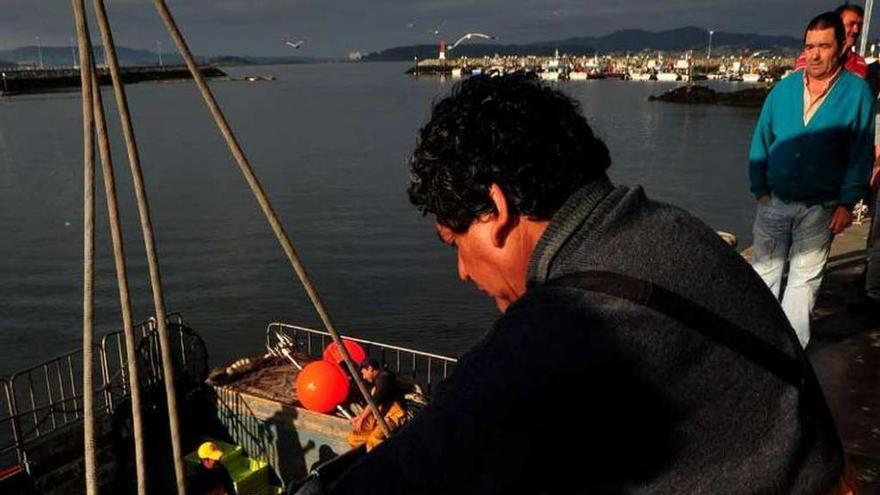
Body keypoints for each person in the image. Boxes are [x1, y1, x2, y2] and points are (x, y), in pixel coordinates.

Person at [295, 72, 849, 494]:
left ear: (496, 208)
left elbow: (413, 473)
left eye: (454, 243)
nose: (462, 271)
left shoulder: (563, 331)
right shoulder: (672, 228)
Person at [750, 11, 874, 347]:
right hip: (774, 200)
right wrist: (759, 187)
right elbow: (762, 138)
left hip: (821, 205)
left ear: (840, 48)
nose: (815, 54)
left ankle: (791, 353)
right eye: (809, 46)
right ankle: (756, 342)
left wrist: (848, 203)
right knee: (764, 275)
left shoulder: (857, 93)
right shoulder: (783, 90)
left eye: (823, 46)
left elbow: (861, 152)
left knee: (804, 284)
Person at [347, 358, 407, 452]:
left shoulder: (384, 378)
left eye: (364, 373)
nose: (363, 377)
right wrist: (360, 417)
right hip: (379, 414)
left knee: (372, 440)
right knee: (353, 438)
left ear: (370, 369)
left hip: (393, 416)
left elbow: (375, 401)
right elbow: (373, 403)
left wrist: (362, 418)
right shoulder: (375, 381)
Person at [794, 4, 867, 78]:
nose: (856, 30)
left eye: (859, 25)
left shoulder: (860, 63)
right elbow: (799, 84)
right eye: (851, 24)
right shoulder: (810, 58)